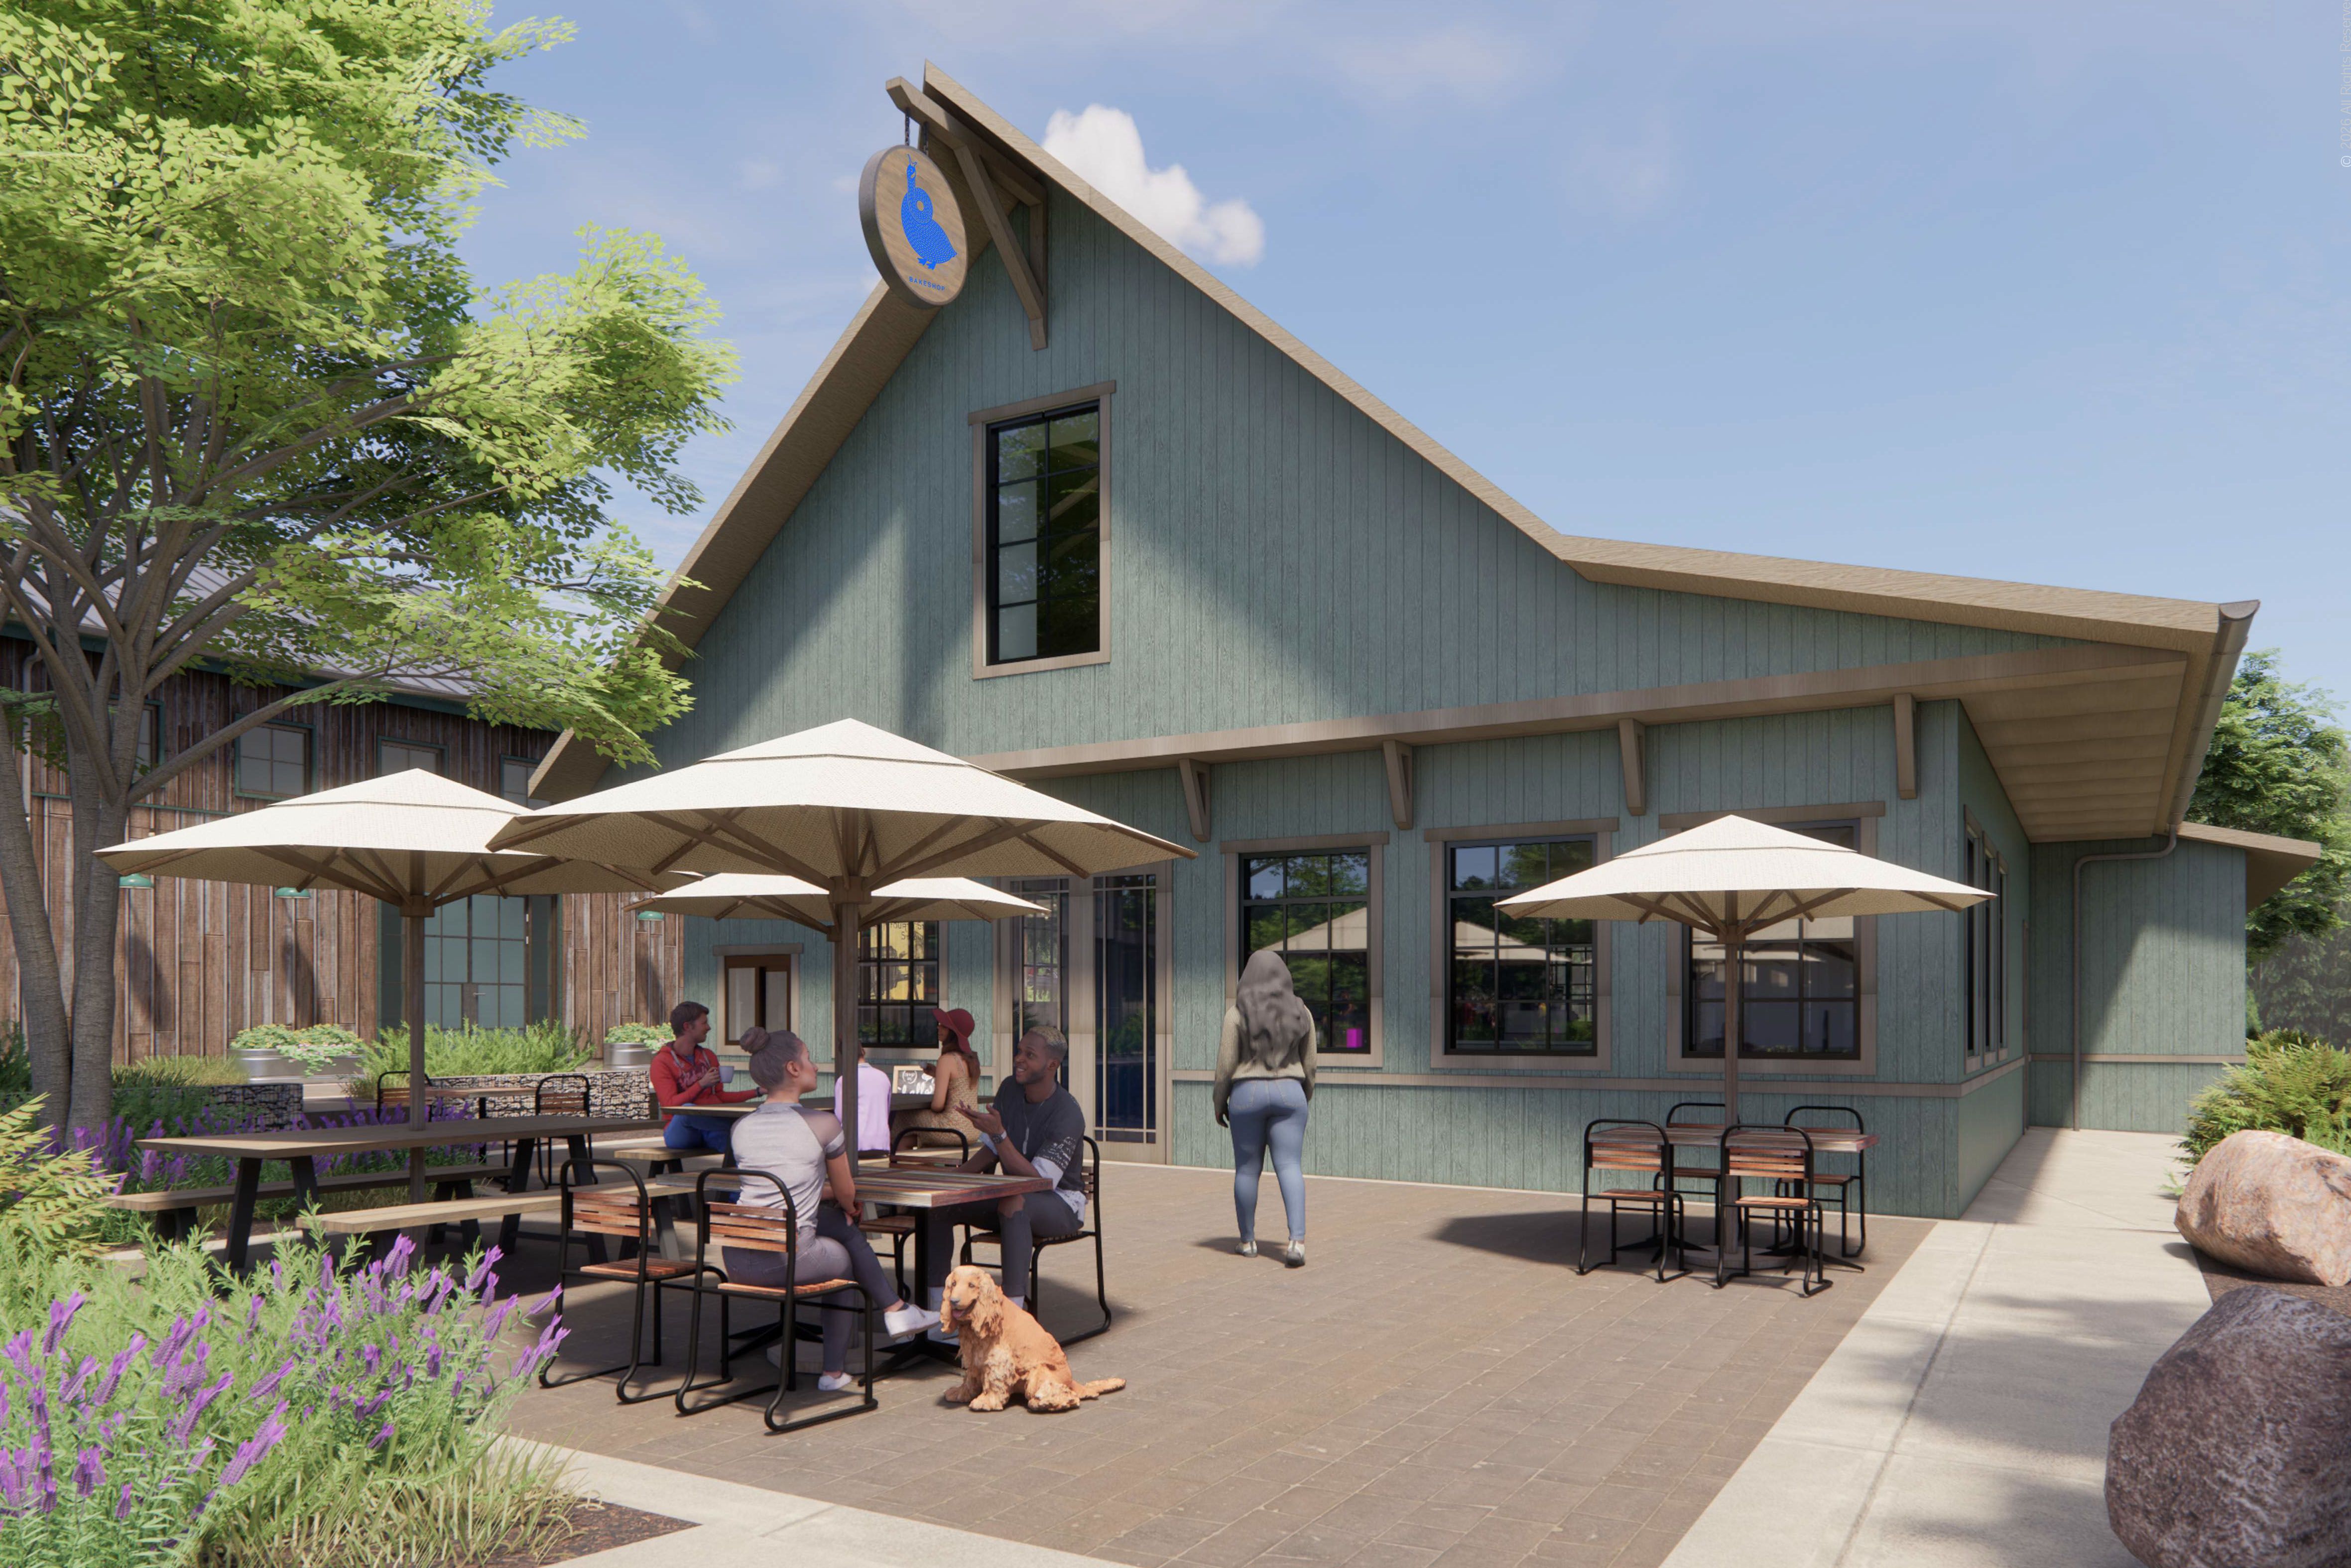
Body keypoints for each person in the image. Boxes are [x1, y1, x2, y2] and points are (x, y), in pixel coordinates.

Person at [727, 1027, 939, 1389]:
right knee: (843, 1254)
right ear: (793, 1068)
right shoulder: (823, 1123)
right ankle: (835, 1370)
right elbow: (846, 1191)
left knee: (832, 1221)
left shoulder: (740, 1126)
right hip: (787, 1259)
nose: (816, 1065)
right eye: (809, 1058)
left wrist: (835, 1203)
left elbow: (782, 1186)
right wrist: (848, 1205)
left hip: (735, 1257)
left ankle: (897, 1311)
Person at [917, 1026, 1086, 1332]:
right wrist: (952, 1182)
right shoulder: (1010, 1089)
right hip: (1012, 1197)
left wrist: (1000, 1134)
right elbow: (991, 1152)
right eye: (1019, 1051)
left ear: (1052, 1065)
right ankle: (937, 1319)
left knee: (1014, 1202)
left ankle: (1011, 1324)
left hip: (1061, 1203)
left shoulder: (1067, 1113)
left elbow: (1040, 1182)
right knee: (940, 1205)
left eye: (1029, 1055)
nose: (1019, 1059)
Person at [1215, 950, 1315, 1266]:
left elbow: (1226, 1065)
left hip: (1247, 1093)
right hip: (1291, 1092)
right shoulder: (1302, 1013)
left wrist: (1219, 1102)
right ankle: (1297, 1243)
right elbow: (1311, 1065)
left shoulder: (1236, 1014)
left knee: (1247, 1169)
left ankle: (1247, 1242)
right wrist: (1304, 1095)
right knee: (1290, 1166)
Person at [651, 1001, 756, 1156]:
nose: (709, 1028)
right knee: (688, 1111)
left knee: (735, 1147)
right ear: (688, 1027)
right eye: (704, 1023)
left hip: (710, 1128)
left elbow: (720, 1096)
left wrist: (758, 1092)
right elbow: (669, 1105)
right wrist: (701, 1085)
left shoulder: (708, 1056)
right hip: (681, 1132)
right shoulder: (662, 1062)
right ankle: (738, 1125)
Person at [895, 1006, 984, 1150]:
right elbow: (959, 1084)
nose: (938, 1027)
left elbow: (938, 1106)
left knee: (901, 1116)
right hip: (972, 1130)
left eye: (944, 1026)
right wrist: (938, 1074)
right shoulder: (972, 1060)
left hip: (952, 1128)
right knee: (910, 1138)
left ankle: (892, 1157)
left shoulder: (947, 1059)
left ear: (953, 1032)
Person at [854, 1046, 893, 1156]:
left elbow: (841, 1117)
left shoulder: (845, 1080)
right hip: (883, 1143)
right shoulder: (883, 1077)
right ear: (863, 1052)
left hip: (856, 1144)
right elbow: (887, 1110)